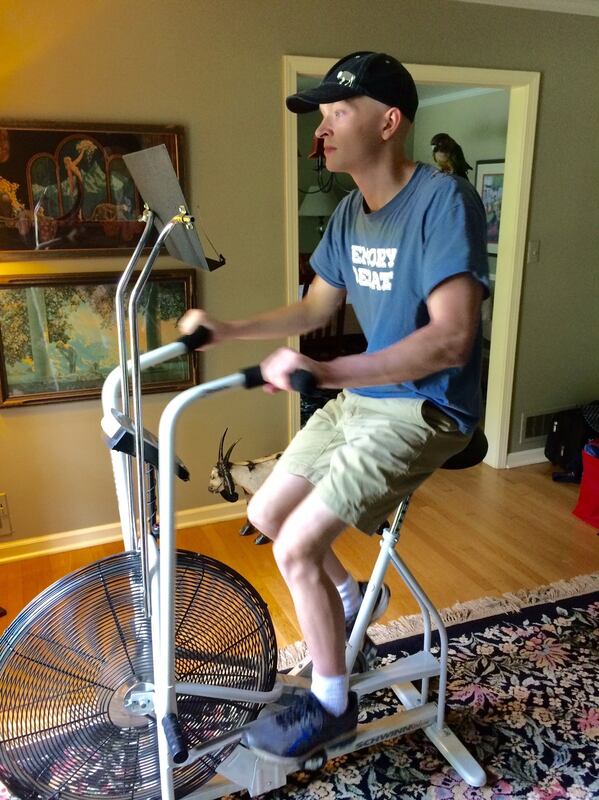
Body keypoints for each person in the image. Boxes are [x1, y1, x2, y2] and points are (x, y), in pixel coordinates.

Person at [179, 50, 489, 762]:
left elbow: (449, 341)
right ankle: (354, 603)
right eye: (319, 118)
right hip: (364, 399)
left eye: (336, 114)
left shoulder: (445, 202)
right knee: (264, 513)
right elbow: (318, 304)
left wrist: (327, 367)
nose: (321, 132)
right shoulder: (350, 212)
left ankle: (331, 703)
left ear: (389, 122)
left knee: (296, 545)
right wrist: (230, 329)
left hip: (425, 410)